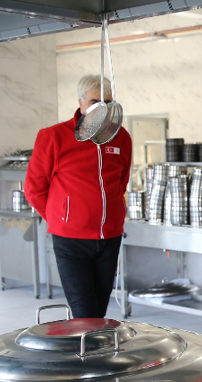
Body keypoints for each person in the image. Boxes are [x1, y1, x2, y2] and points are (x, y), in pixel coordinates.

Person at [24, 75, 132, 319]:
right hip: (71, 240)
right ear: (81, 102)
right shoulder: (54, 137)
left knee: (99, 311)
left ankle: (93, 352)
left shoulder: (121, 138)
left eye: (107, 102)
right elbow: (34, 189)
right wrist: (62, 217)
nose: (100, 109)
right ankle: (88, 353)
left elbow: (121, 182)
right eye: (94, 101)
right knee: (85, 313)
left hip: (109, 237)